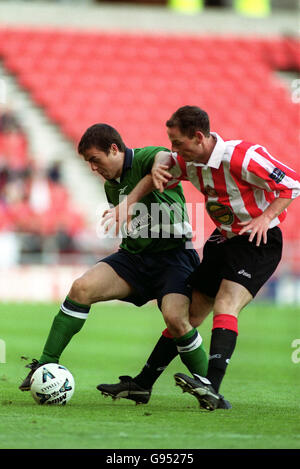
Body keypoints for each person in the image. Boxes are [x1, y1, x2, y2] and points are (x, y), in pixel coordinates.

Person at [98, 105, 300, 410]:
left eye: (177, 142)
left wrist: (266, 216)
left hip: (258, 240)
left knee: (225, 303)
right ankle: (142, 384)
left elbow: (291, 183)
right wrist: (129, 203)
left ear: (199, 137)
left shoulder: (242, 156)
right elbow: (158, 175)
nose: (172, 149)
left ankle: (212, 387)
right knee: (186, 317)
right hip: (223, 239)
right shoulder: (188, 161)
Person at [19, 123, 215, 408]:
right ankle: (45, 364)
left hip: (173, 257)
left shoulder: (147, 157)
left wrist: (152, 177)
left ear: (114, 149)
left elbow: (163, 158)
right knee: (81, 288)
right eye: (88, 163)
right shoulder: (112, 184)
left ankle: (212, 387)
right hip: (134, 259)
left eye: (95, 160)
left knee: (176, 320)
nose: (93, 168)